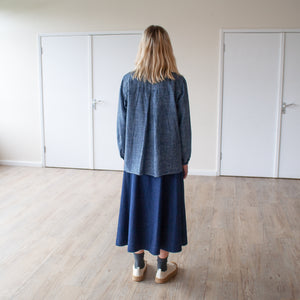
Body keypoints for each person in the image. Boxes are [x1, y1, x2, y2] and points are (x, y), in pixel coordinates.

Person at [116, 25, 192, 284]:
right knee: (166, 212)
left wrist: (127, 154)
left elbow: (121, 124)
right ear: (167, 49)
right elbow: (184, 125)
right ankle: (162, 268)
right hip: (169, 163)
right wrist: (184, 158)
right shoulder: (177, 83)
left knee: (137, 210)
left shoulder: (128, 81)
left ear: (143, 48)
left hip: (135, 163)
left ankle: (138, 266)